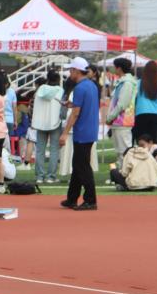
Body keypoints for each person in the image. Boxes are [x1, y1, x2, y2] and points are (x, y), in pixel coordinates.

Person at [59, 57, 98, 210]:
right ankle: (72, 198)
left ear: (76, 70)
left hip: (82, 131)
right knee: (78, 165)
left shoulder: (80, 88)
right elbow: (83, 106)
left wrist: (64, 133)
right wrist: (72, 104)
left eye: (71, 70)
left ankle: (90, 200)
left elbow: (75, 113)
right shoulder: (91, 85)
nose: (70, 73)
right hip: (90, 130)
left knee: (82, 166)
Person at [106, 57, 137, 160]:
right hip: (119, 121)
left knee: (125, 152)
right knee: (120, 152)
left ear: (119, 68)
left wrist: (110, 117)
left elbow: (122, 104)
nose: (114, 69)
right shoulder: (123, 82)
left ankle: (126, 170)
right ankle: (122, 170)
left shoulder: (127, 83)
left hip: (123, 121)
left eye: (115, 67)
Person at [133, 61, 157, 149]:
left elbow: (134, 98)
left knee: (141, 140)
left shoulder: (138, 83)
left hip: (141, 112)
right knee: (154, 140)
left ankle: (142, 156)